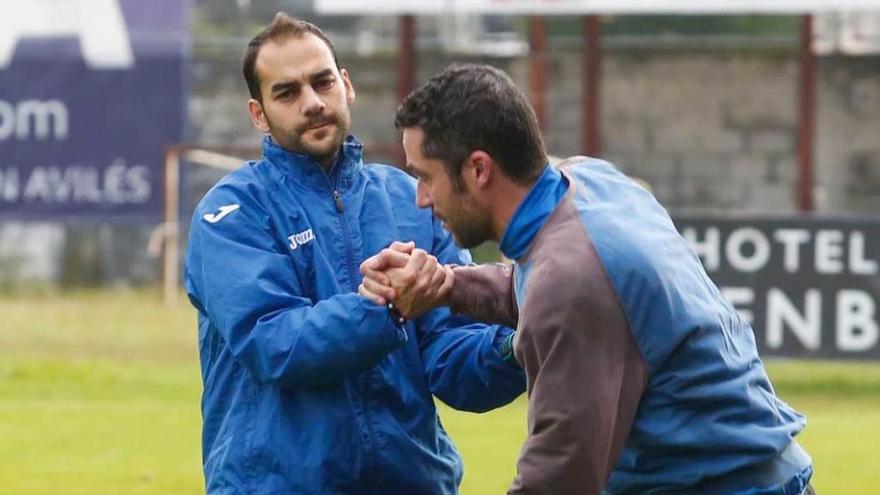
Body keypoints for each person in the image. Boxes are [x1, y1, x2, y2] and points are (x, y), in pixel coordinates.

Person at [360, 63, 815, 495]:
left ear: (478, 169)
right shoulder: (591, 181)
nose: (420, 198)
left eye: (425, 176)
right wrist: (447, 286)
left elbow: (558, 478)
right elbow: (544, 286)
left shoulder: (569, 280)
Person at [184, 16, 525, 494]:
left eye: (322, 81)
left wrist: (518, 347)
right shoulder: (232, 212)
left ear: (346, 84)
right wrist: (385, 306)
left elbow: (453, 359)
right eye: (286, 93)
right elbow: (276, 343)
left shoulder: (412, 201)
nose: (312, 103)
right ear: (258, 114)